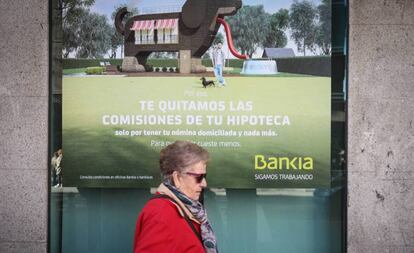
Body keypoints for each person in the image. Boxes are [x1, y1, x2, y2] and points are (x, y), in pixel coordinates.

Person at [133, 141, 217, 253]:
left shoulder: (186, 208)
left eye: (204, 176)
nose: (204, 183)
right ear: (177, 177)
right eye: (198, 177)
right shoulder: (161, 213)